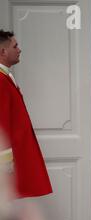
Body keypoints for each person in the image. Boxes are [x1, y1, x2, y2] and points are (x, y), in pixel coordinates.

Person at [0, 30, 52, 199]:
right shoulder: (0, 80)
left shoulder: (5, 76)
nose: (19, 49)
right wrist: (5, 163)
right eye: (15, 46)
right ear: (3, 52)